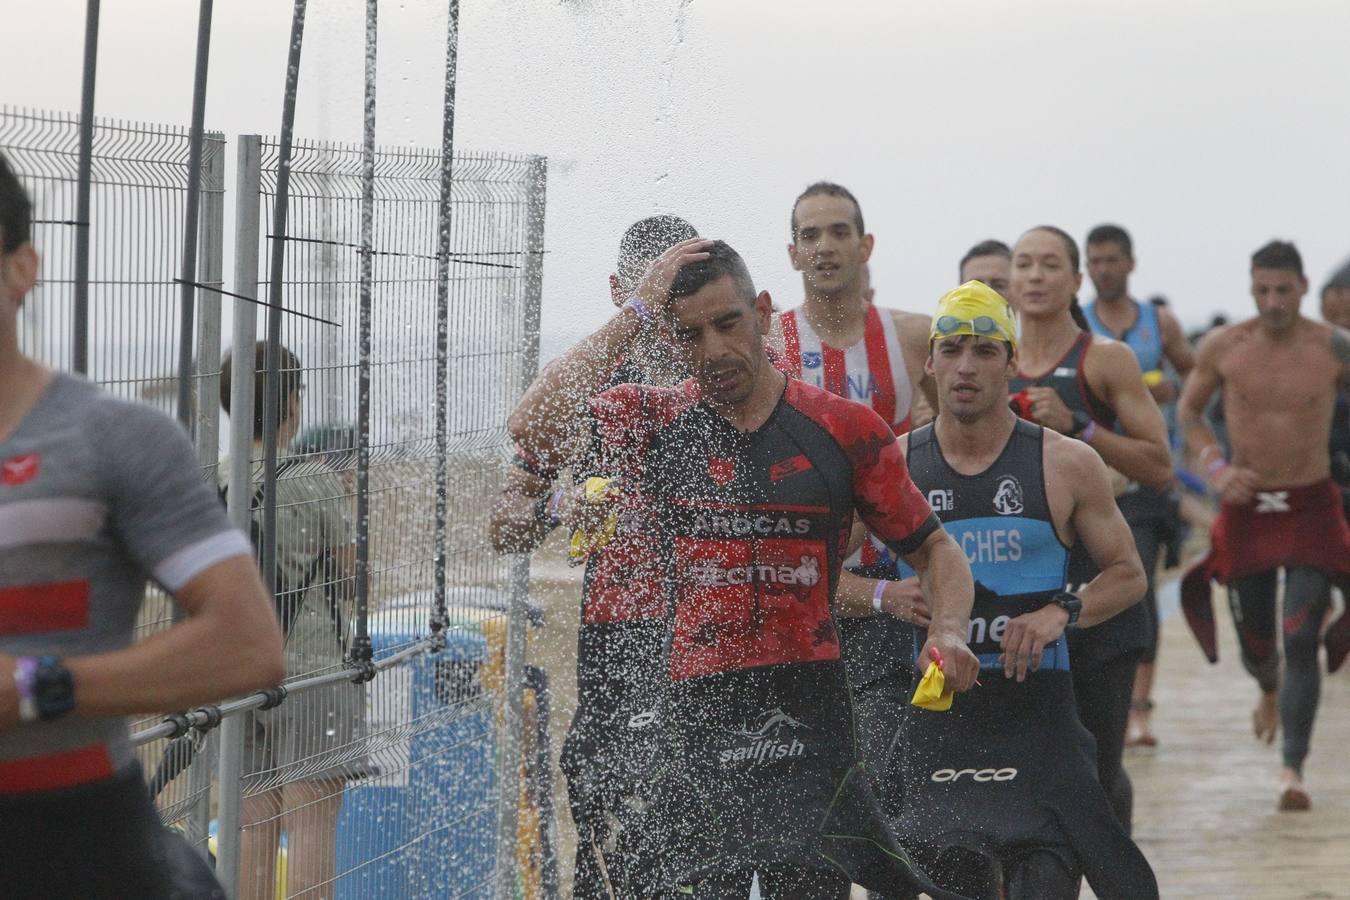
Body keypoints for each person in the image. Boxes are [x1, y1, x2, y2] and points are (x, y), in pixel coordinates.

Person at [516, 239, 980, 899]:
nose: (712, 350)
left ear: (763, 313)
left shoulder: (842, 428)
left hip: (809, 709)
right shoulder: (652, 419)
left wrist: (951, 631)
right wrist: (635, 313)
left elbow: (935, 550)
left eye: (728, 323)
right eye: (689, 334)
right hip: (697, 714)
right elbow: (531, 424)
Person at [0, 153, 285, 896]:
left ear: (22, 268)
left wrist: (36, 687)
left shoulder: (113, 438)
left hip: (73, 842)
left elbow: (248, 646)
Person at [881, 280, 1156, 900]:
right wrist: (882, 597)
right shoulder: (894, 465)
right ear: (929, 363)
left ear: (1011, 362)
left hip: (1039, 721)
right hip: (936, 720)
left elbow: (1129, 574)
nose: (965, 367)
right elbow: (820, 573)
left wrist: (1063, 611)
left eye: (983, 350)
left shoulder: (1064, 462)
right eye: (950, 350)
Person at [494, 215, 699, 896]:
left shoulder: (726, 368)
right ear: (621, 291)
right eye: (654, 299)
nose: (671, 320)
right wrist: (560, 507)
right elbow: (503, 521)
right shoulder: (588, 385)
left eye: (679, 295)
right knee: (608, 805)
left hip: (715, 632)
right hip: (620, 636)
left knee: (699, 827)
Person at [773, 182, 941, 809]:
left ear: (866, 245)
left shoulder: (916, 339)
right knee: (809, 795)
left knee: (887, 792)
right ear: (792, 254)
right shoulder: (769, 347)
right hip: (799, 602)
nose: (824, 247)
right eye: (809, 236)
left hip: (897, 596)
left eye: (839, 232)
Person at [1005, 225, 1172, 834]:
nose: (1036, 275)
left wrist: (1082, 426)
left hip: (1102, 586)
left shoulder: (1104, 359)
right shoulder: (990, 361)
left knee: (1098, 768)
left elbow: (1160, 466)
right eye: (1024, 264)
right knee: (1023, 771)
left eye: (1050, 264)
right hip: (1017, 594)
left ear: (1075, 280)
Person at [1178, 240, 1350, 812]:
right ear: (1252, 288)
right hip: (1247, 506)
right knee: (1258, 640)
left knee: (1300, 631)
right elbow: (1189, 413)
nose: (1274, 301)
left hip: (1311, 506)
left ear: (1304, 287)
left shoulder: (1333, 346)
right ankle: (1268, 689)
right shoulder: (1225, 346)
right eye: (1263, 290)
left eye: (1284, 290)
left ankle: (1292, 769)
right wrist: (1217, 469)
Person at [221, 343, 368, 900]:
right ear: (288, 403)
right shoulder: (311, 477)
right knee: (310, 826)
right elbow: (351, 582)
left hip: (232, 672)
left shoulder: (213, 479)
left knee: (250, 830)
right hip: (309, 669)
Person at [1082, 224, 1196, 748]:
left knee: (1140, 584)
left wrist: (1174, 395)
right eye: (1096, 260)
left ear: (1130, 264)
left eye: (1112, 260)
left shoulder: (1159, 322)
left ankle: (1140, 708)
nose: (1104, 269)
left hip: (1146, 477)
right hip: (1089, 475)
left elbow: (1200, 378)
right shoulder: (1073, 322)